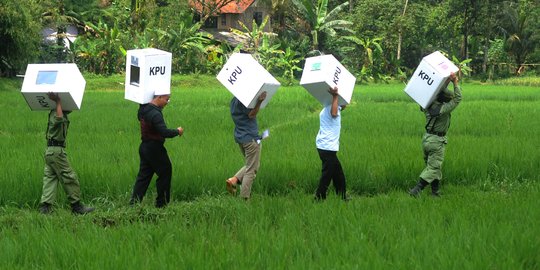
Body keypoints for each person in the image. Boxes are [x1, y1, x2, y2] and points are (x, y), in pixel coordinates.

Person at [38, 93, 95, 215]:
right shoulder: (56, 112)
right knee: (69, 177)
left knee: (50, 179)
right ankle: (77, 207)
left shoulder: (58, 112)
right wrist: (58, 100)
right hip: (56, 151)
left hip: (50, 151)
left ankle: (45, 208)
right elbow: (59, 118)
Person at [409, 72, 461, 197]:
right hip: (437, 141)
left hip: (427, 139)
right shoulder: (443, 110)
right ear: (444, 98)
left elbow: (439, 92)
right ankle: (416, 190)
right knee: (433, 168)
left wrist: (447, 81)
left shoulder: (427, 105)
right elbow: (458, 98)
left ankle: (435, 193)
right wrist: (455, 82)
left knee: (433, 166)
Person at [130, 90, 183, 208]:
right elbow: (164, 132)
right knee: (165, 172)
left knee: (144, 176)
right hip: (155, 149)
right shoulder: (155, 114)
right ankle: (161, 204)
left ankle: (133, 204)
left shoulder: (143, 109)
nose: (167, 102)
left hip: (144, 147)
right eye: (166, 99)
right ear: (159, 97)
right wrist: (177, 131)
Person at [226, 92, 267, 200]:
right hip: (250, 139)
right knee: (251, 170)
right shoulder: (244, 101)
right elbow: (251, 114)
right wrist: (259, 102)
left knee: (253, 165)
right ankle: (244, 198)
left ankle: (233, 180)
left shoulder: (233, 101)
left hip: (241, 138)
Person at [314, 87, 347, 201]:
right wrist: (336, 96)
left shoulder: (328, 107)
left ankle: (342, 196)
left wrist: (341, 99)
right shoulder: (331, 108)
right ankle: (319, 197)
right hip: (327, 147)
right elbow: (334, 113)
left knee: (338, 174)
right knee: (327, 174)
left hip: (325, 146)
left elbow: (340, 107)